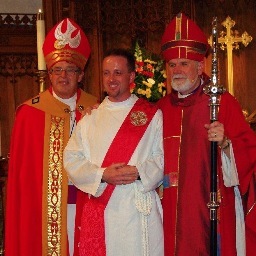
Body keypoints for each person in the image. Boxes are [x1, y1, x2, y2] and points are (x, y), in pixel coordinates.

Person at [158, 12, 256, 256]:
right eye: (172, 64)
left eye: (184, 63)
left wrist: (226, 144)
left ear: (200, 66)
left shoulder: (223, 103)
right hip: (170, 211)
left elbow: (248, 151)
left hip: (213, 210)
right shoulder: (159, 110)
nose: (176, 70)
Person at [5, 18, 98, 256]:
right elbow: (23, 179)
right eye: (58, 69)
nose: (63, 75)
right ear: (49, 73)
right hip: (44, 211)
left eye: (70, 69)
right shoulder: (30, 113)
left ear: (81, 74)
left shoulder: (97, 109)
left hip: (88, 205)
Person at [64, 48, 164, 256]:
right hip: (102, 207)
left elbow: (163, 157)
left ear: (131, 76)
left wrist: (138, 173)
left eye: (118, 73)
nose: (111, 79)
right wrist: (102, 175)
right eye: (106, 73)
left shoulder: (151, 115)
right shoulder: (90, 117)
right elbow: (72, 159)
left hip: (137, 210)